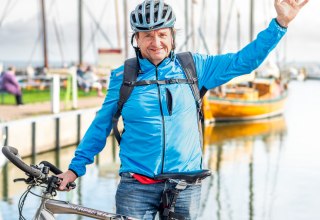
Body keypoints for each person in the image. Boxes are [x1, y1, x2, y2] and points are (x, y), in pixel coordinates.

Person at [58, 0, 308, 219]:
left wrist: (280, 24)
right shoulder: (124, 76)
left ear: (172, 37)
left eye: (162, 34)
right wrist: (74, 168)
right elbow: (101, 125)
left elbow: (244, 61)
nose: (156, 42)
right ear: (137, 39)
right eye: (147, 35)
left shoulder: (195, 68)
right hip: (136, 186)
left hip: (185, 186)